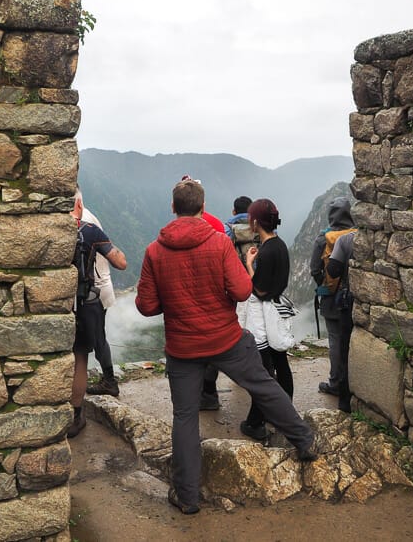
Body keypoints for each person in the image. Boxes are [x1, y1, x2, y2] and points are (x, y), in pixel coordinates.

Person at [135, 177, 316, 515]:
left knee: (185, 416)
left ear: (173, 208)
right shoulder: (219, 243)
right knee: (263, 385)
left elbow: (145, 305)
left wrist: (172, 301)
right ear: (203, 208)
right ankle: (304, 440)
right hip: (225, 339)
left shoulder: (154, 251)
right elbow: (242, 291)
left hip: (183, 347)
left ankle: (187, 497)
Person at [68, 191, 127, 438]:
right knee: (81, 357)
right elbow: (120, 262)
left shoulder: (47, 227)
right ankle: (76, 415)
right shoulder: (89, 228)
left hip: (55, 304)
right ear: (79, 202)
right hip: (86, 301)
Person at [240, 198, 297, 440]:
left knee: (263, 370)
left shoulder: (267, 251)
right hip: (277, 311)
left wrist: (249, 265)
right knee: (280, 363)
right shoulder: (280, 245)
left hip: (264, 317)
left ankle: (255, 422)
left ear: (255, 223)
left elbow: (260, 289)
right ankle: (285, 413)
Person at [201, 195, 254, 411]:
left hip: (231, 293)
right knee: (255, 339)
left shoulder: (226, 232)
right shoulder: (262, 230)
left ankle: (208, 393)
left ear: (233, 211)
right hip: (258, 293)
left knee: (218, 342)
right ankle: (252, 382)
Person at [309, 197, 355, 399]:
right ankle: (353, 383)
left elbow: (314, 269)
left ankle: (336, 383)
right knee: (351, 340)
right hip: (355, 296)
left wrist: (326, 286)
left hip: (332, 298)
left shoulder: (323, 239)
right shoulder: (357, 235)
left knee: (335, 340)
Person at [82, 206, 121, 397]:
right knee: (97, 336)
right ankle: (108, 379)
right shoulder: (87, 216)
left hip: (95, 287)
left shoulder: (84, 219)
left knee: (96, 337)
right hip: (97, 286)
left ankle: (109, 381)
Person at [325, 230, 354, 412]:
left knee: (344, 348)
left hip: (348, 301)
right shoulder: (367, 236)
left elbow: (333, 270)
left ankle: (345, 400)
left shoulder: (344, 240)